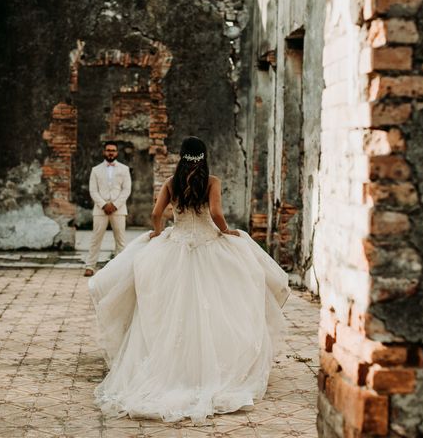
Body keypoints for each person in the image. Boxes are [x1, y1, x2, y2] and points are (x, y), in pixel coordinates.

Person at [88, 136, 290, 423]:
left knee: (172, 309)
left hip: (177, 245)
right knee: (220, 303)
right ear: (204, 156)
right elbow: (217, 213)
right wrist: (226, 232)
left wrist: (159, 233)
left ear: (181, 157)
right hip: (208, 244)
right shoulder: (212, 181)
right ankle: (212, 369)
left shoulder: (172, 182)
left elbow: (157, 213)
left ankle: (173, 369)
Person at [84, 141, 132, 277]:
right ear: (104, 152)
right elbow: (93, 190)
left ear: (117, 152)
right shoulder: (96, 170)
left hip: (119, 208)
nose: (111, 152)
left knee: (120, 240)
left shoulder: (124, 169)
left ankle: (121, 268)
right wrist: (104, 205)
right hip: (100, 209)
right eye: (108, 150)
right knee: (96, 238)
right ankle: (90, 266)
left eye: (113, 150)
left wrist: (115, 205)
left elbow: (127, 190)